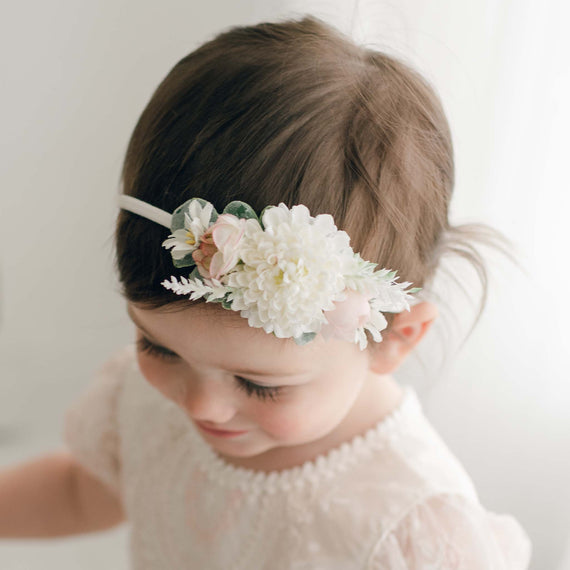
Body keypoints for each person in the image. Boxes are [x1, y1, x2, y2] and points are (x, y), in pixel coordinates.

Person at [0, 16, 532, 569]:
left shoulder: (411, 529)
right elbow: (83, 493)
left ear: (396, 336)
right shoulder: (145, 406)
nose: (200, 403)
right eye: (159, 347)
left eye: (259, 384)